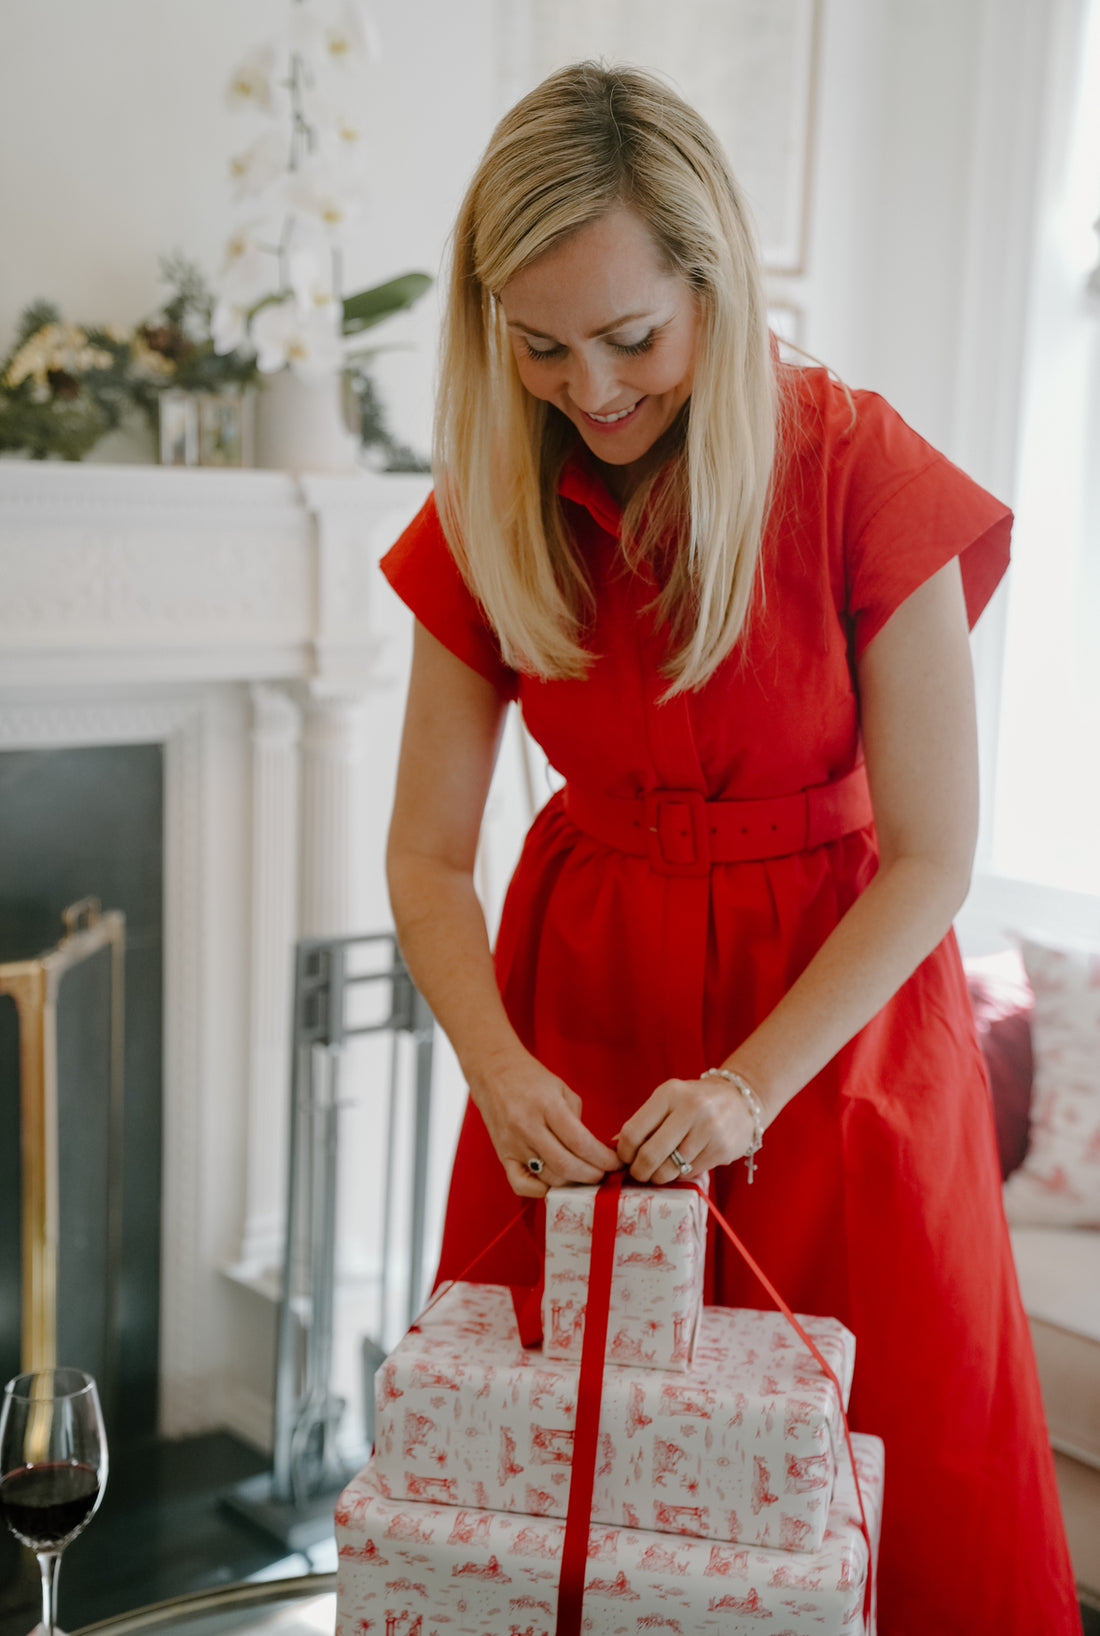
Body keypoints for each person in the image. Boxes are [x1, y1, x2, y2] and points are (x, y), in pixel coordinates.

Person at [382, 61, 1081, 1636]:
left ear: (716, 276)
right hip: (576, 1025)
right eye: (541, 345)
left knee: (877, 1489)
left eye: (632, 337)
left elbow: (932, 857)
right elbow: (427, 856)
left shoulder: (860, 468)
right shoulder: (495, 489)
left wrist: (752, 1084)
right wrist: (497, 1070)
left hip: (835, 1042)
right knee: (567, 1497)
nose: (593, 389)